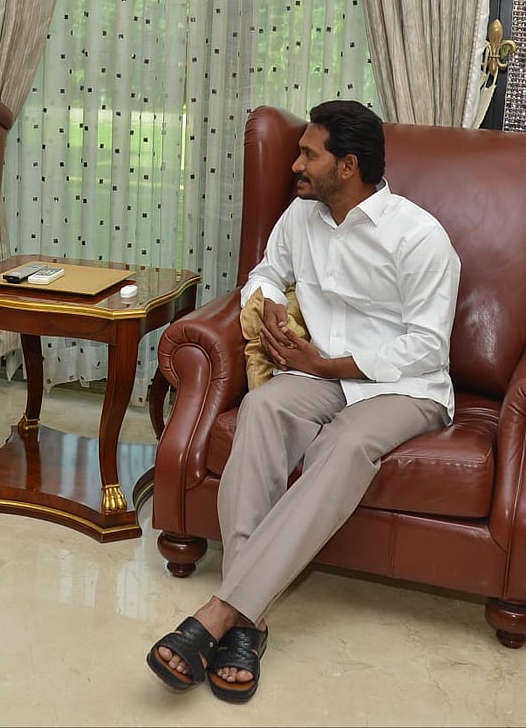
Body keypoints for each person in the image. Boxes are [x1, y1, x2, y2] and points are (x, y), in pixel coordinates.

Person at [146, 100, 460, 703]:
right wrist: (268, 308)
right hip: (318, 374)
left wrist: (327, 363)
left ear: (347, 166)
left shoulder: (419, 238)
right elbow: (265, 271)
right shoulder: (302, 215)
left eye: (308, 154)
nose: (296, 164)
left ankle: (222, 612)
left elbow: (425, 347)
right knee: (261, 411)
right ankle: (250, 623)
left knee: (343, 444)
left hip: (406, 387)